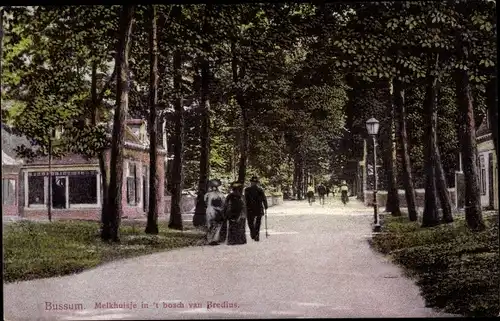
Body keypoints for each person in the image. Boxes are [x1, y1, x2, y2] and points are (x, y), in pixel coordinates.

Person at [244, 176, 268, 242]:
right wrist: (265, 206)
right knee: (254, 222)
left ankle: (254, 234)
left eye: (254, 182)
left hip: (251, 209)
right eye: (253, 182)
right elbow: (264, 199)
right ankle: (255, 233)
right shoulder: (258, 190)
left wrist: (265, 205)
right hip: (256, 209)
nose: (253, 183)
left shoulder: (248, 190)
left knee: (253, 222)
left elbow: (264, 198)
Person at [204, 179, 225, 245]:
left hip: (208, 210)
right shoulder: (221, 195)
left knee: (209, 225)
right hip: (217, 211)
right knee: (218, 224)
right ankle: (215, 239)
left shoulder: (207, 194)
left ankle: (209, 239)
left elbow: (205, 203)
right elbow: (223, 204)